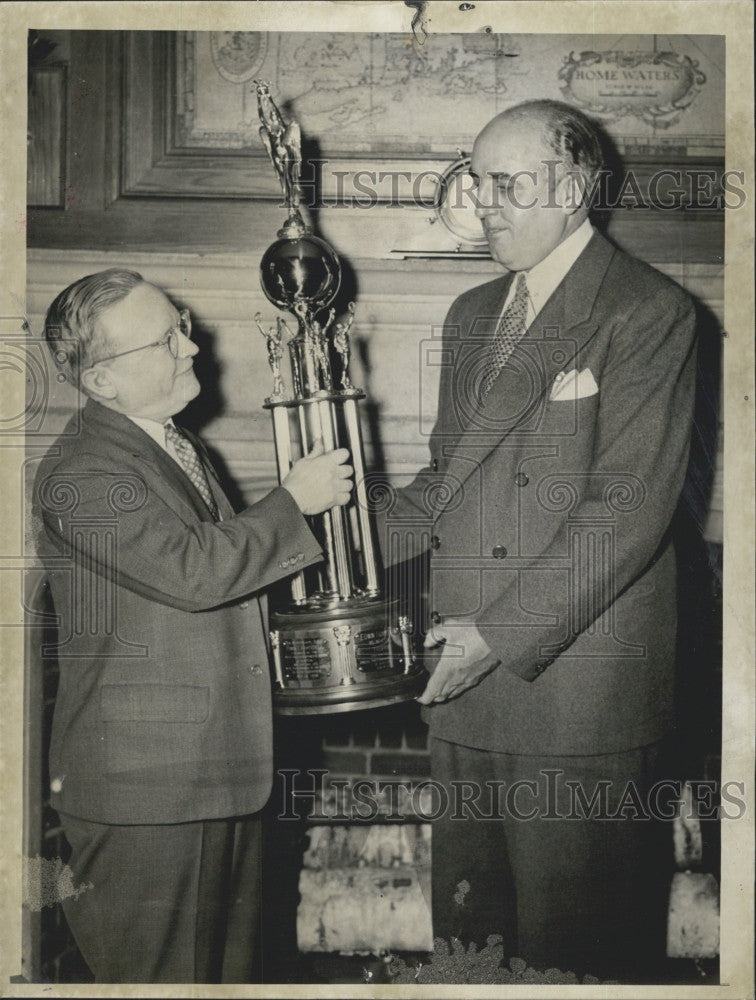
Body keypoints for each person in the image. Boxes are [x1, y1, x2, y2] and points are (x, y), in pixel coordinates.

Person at [378, 100, 697, 980]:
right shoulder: (474, 312)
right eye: (476, 182)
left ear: (576, 189)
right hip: (465, 678)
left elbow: (624, 512)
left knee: (576, 961)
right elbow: (446, 483)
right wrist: (317, 539)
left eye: (508, 184)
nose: (484, 204)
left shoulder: (648, 311)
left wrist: (496, 638)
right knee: (472, 945)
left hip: (574, 686)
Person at [33, 268, 352, 983]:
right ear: (102, 379)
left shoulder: (170, 448)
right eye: (167, 338)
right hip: (150, 796)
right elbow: (194, 570)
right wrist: (293, 501)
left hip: (214, 775)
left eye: (182, 326)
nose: (190, 348)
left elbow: (235, 582)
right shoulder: (81, 471)